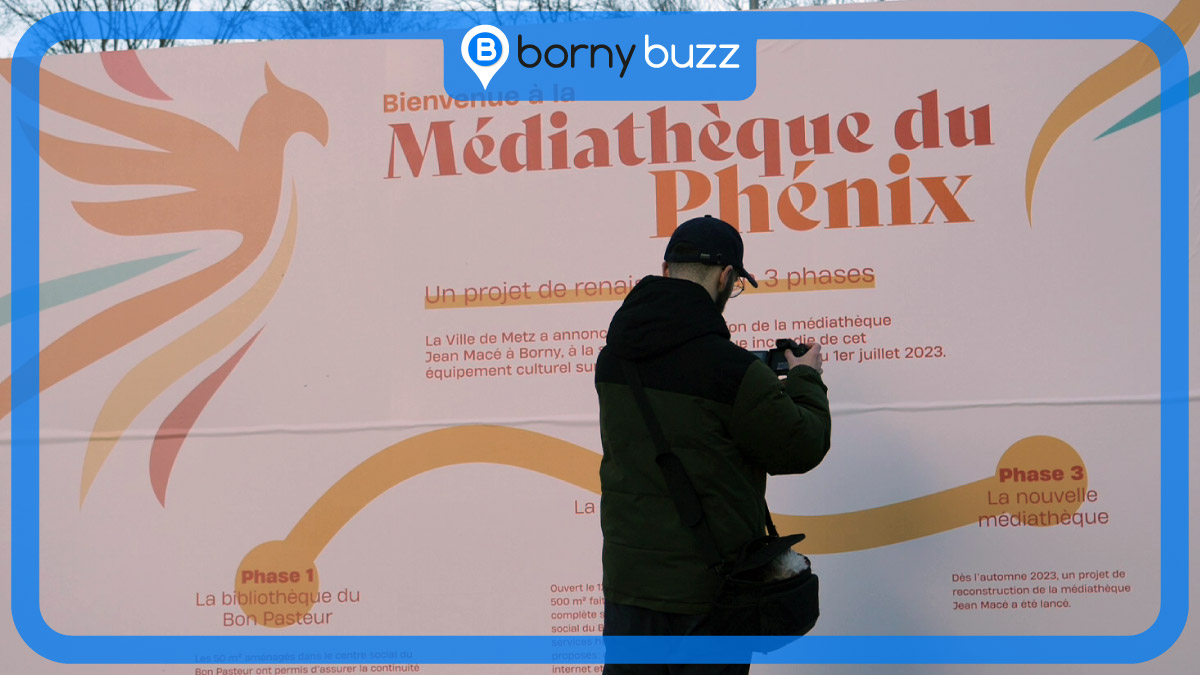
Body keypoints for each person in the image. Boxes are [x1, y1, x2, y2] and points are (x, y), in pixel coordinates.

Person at [594, 215, 832, 674]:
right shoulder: (731, 371)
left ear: (666, 271)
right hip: (708, 597)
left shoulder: (613, 359)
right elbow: (803, 446)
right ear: (726, 278)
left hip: (629, 590)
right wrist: (806, 379)